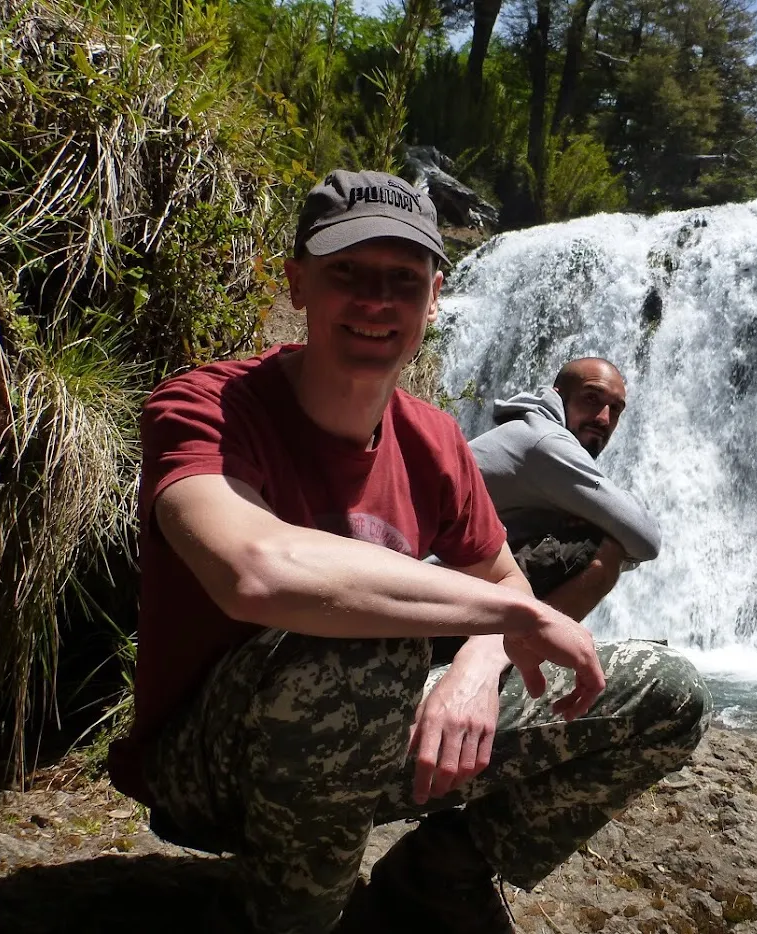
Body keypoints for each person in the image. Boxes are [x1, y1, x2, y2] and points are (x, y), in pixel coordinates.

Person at [106, 168, 711, 934]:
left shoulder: (434, 440)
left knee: (665, 691)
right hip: (209, 771)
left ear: (433, 299)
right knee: (370, 642)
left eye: (402, 279)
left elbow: (501, 576)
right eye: (345, 273)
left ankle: (440, 875)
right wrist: (507, 614)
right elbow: (252, 570)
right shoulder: (204, 407)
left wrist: (472, 668)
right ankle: (288, 915)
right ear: (297, 284)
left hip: (358, 731)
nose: (374, 300)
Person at [465, 358, 660, 626]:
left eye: (615, 409)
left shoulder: (528, 432)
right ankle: (505, 652)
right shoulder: (545, 442)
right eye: (592, 398)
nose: (604, 418)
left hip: (442, 587)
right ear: (560, 395)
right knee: (605, 546)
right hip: (436, 598)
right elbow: (647, 539)